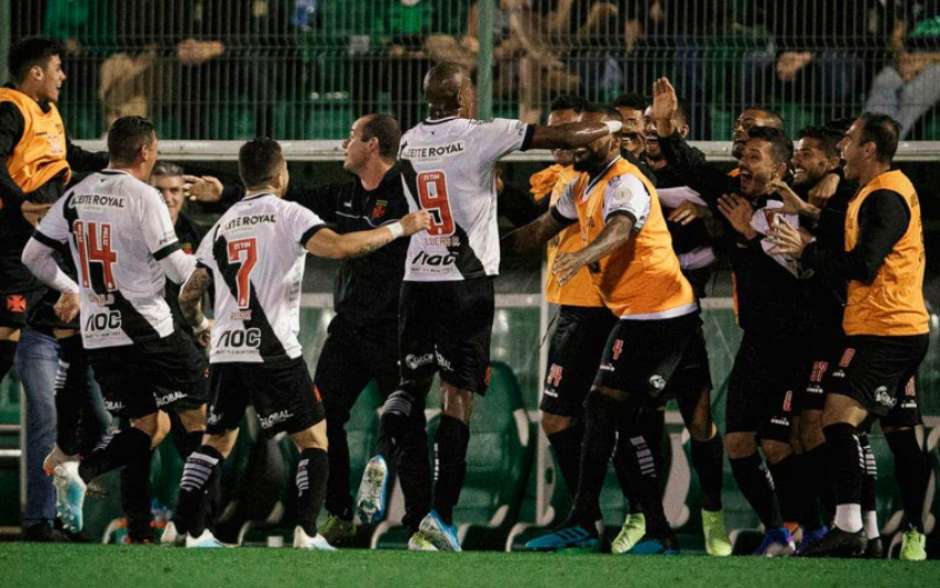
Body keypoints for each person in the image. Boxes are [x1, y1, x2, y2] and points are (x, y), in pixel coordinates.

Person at [355, 62, 624, 552]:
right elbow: (562, 133)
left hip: (417, 280)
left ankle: (381, 453)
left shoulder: (413, 139)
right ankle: (441, 516)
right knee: (458, 398)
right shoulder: (482, 134)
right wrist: (613, 126)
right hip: (465, 281)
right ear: (463, 97)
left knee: (411, 386)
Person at [171, 138, 431, 549]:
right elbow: (343, 247)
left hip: (225, 350)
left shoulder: (221, 225)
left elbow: (189, 293)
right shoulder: (289, 214)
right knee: (315, 439)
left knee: (214, 442)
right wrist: (402, 226)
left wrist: (203, 324)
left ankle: (186, 529)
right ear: (280, 173)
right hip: (272, 350)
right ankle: (307, 533)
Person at [503, 104, 728, 556]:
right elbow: (539, 230)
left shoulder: (626, 181)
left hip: (666, 316)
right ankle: (632, 525)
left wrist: (583, 256)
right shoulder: (582, 182)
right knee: (614, 412)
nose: (567, 152)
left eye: (576, 144)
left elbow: (621, 228)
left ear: (603, 140)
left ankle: (678, 519)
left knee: (661, 415)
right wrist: (483, 255)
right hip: (637, 315)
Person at [20, 116, 207, 537]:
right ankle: (196, 530)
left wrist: (79, 291)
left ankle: (82, 470)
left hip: (101, 332)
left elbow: (32, 257)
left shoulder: (77, 193)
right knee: (200, 416)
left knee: (149, 426)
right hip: (147, 327)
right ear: (145, 152)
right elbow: (178, 270)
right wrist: (214, 267)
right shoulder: (144, 196)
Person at [769, 113, 931, 561]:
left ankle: (861, 528)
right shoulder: (876, 193)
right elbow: (852, 240)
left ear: (870, 150)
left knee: (842, 422)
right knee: (847, 425)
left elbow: (863, 263)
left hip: (890, 330)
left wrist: (805, 250)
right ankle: (862, 530)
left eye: (850, 141)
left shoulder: (887, 197)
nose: (843, 148)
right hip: (878, 327)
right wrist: (808, 215)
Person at [292, 114, 433, 546]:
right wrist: (226, 190)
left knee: (406, 425)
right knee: (321, 416)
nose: (343, 143)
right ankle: (338, 512)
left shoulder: (409, 189)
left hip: (398, 329)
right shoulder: (343, 194)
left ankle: (420, 525)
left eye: (352, 137)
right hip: (350, 328)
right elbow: (291, 197)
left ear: (372, 145)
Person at [0, 36, 109, 541]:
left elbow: (70, 158)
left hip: (39, 254)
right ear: (37, 73)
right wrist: (19, 201)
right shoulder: (11, 108)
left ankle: (60, 495)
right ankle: (47, 507)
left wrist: (119, 164)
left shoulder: (49, 115)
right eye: (59, 68)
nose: (65, 76)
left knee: (75, 403)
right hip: (11, 254)